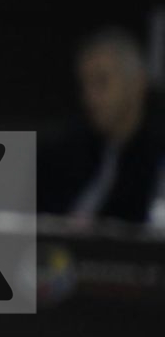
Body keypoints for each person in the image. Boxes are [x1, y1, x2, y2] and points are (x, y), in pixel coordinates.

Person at [38, 27, 165, 227]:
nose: (90, 98)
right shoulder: (68, 149)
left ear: (138, 82)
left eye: (101, 82)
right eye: (84, 85)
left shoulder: (156, 157)